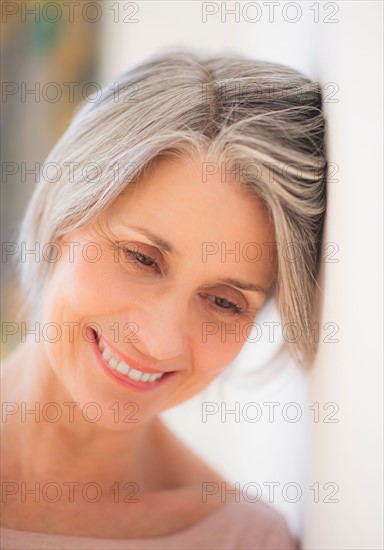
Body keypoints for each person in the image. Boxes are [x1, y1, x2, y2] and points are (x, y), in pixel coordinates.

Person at [0, 49, 326, 549]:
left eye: (223, 301)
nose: (158, 340)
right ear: (65, 217)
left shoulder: (244, 541)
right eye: (142, 258)